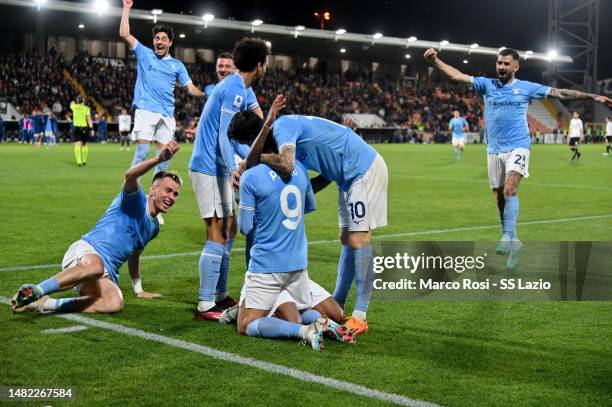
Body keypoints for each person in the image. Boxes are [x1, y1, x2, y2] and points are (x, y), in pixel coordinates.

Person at [424, 46, 612, 268]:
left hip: (518, 146)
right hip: (493, 150)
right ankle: (515, 242)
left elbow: (560, 93)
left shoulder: (526, 88)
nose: (501, 67)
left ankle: (506, 236)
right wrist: (434, 61)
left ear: (515, 66)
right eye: (499, 63)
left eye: (505, 63)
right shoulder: (487, 85)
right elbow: (457, 75)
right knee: (499, 199)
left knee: (509, 189)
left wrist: (593, 96)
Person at [228, 112, 388, 336]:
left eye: (248, 144)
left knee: (359, 239)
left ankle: (360, 315)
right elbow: (304, 187)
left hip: (362, 169)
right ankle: (339, 303)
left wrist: (251, 162)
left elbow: (286, 164)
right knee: (347, 239)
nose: (249, 149)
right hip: (346, 176)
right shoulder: (285, 140)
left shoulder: (282, 129)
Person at [233, 103, 353, 350]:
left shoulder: (250, 176)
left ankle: (304, 330)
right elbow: (307, 203)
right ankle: (322, 322)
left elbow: (245, 227)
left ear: (249, 143)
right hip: (298, 265)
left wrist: (243, 199)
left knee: (246, 323)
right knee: (332, 312)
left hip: (267, 266)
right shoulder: (297, 168)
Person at [11, 141, 181, 314]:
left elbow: (135, 255)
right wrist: (159, 159)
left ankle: (44, 304)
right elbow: (130, 176)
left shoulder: (154, 228)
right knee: (96, 267)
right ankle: (36, 290)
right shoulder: (136, 200)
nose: (172, 197)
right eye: (168, 190)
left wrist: (139, 289)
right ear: (153, 189)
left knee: (114, 303)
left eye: (175, 194)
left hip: (105, 274)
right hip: (87, 251)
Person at [186, 37, 269, 321]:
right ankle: (205, 303)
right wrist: (235, 168)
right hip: (208, 166)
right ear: (259, 65)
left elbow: (235, 137)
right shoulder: (234, 88)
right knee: (216, 231)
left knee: (230, 231)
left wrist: (251, 159)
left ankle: (220, 294)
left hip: (218, 167)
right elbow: (224, 134)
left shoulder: (240, 88)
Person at [120, 0, 203, 223]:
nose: (159, 41)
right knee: (140, 154)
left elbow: (190, 88)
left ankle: (153, 202)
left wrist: (206, 94)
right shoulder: (144, 53)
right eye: (157, 38)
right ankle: (127, 199)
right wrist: (127, 8)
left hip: (167, 114)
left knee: (164, 160)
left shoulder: (177, 65)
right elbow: (125, 34)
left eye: (163, 39)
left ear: (170, 43)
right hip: (146, 110)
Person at [70, 95, 94, 167]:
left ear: (77, 101)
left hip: (76, 127)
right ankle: (84, 161)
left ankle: (79, 162)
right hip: (84, 128)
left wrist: (74, 102)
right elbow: (89, 119)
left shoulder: (74, 107)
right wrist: (92, 129)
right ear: (83, 101)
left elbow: (71, 103)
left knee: (77, 144)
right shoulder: (87, 108)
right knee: (84, 144)